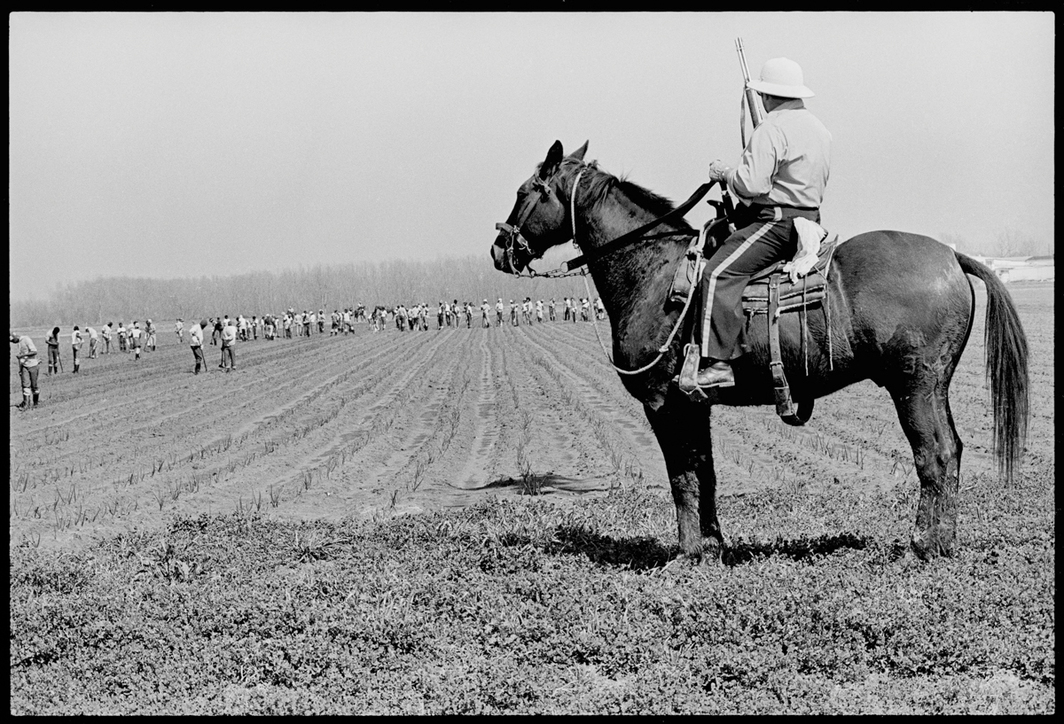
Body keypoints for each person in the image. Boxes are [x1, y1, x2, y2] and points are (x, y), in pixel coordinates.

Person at [697, 56, 831, 388]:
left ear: (767, 95)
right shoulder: (819, 128)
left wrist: (724, 172)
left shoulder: (772, 128)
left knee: (718, 273)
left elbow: (751, 185)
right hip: (811, 223)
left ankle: (717, 365)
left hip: (777, 225)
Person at [11, 331, 42, 410]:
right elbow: (21, 359)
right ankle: (26, 404)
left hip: (33, 365)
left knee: (34, 386)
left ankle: (35, 403)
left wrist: (23, 355)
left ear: (15, 336)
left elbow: (34, 351)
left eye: (12, 340)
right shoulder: (19, 343)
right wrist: (20, 369)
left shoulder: (26, 339)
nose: (12, 342)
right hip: (25, 366)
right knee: (25, 385)